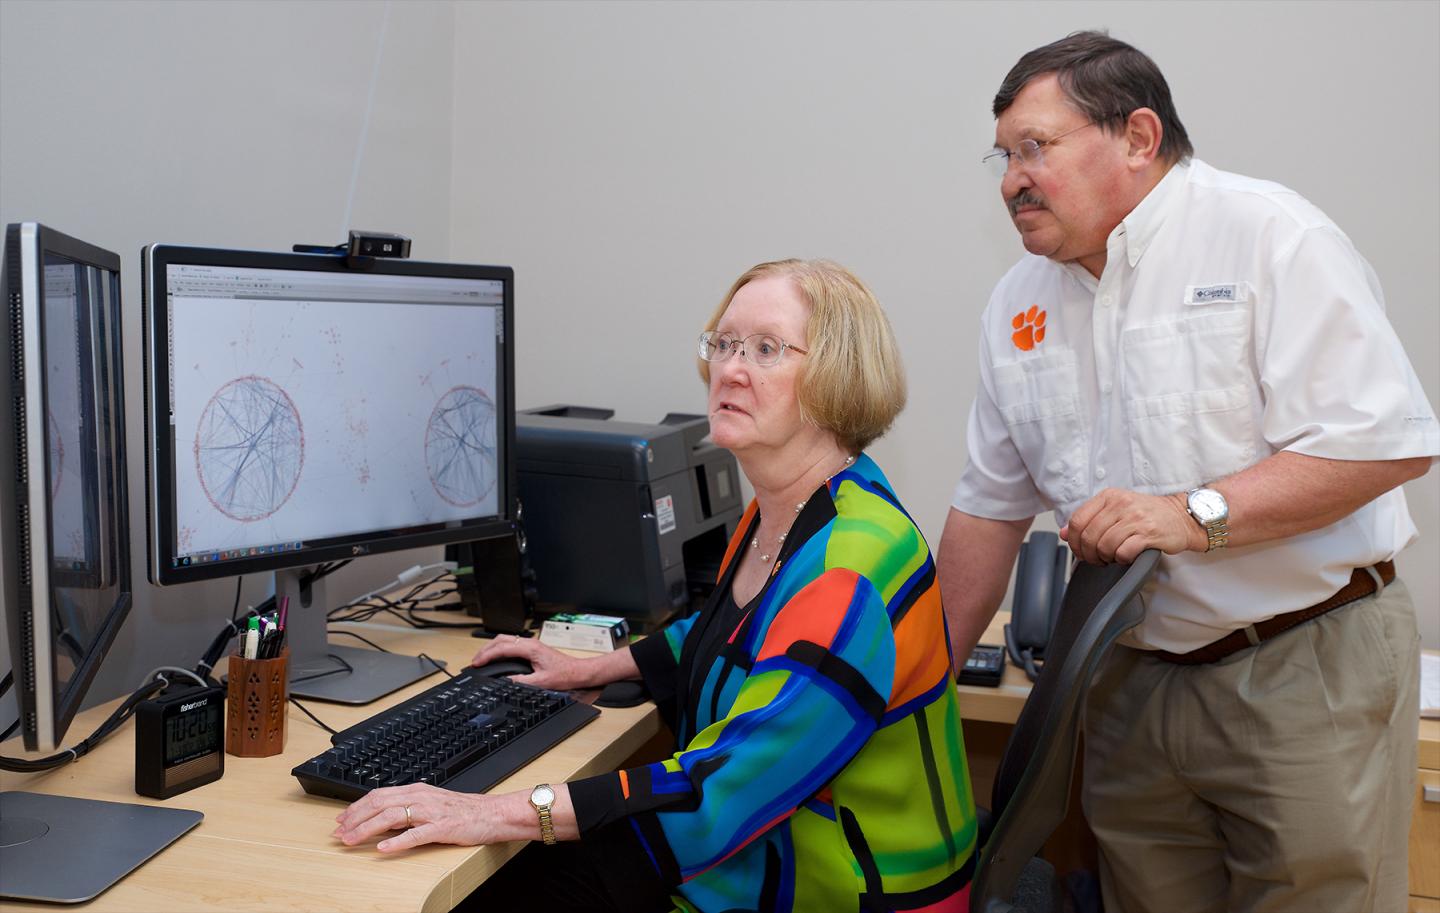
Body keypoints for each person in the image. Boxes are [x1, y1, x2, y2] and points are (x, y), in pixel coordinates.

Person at [939, 30, 1438, 913]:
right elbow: (987, 509)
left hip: (1301, 662)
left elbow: (1384, 441)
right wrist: (916, 683)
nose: (1012, 178)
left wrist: (1189, 513)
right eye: (1003, 155)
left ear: (1137, 137)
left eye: (1035, 148)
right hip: (1129, 680)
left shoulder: (1269, 237)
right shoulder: (1018, 300)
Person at [335, 258, 978, 912]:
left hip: (843, 892)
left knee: (494, 885)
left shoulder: (854, 563)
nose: (729, 368)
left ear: (838, 374)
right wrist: (588, 667)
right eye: (723, 343)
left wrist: (495, 810)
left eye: (765, 349)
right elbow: (732, 633)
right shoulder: (789, 509)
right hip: (762, 856)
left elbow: (723, 788)